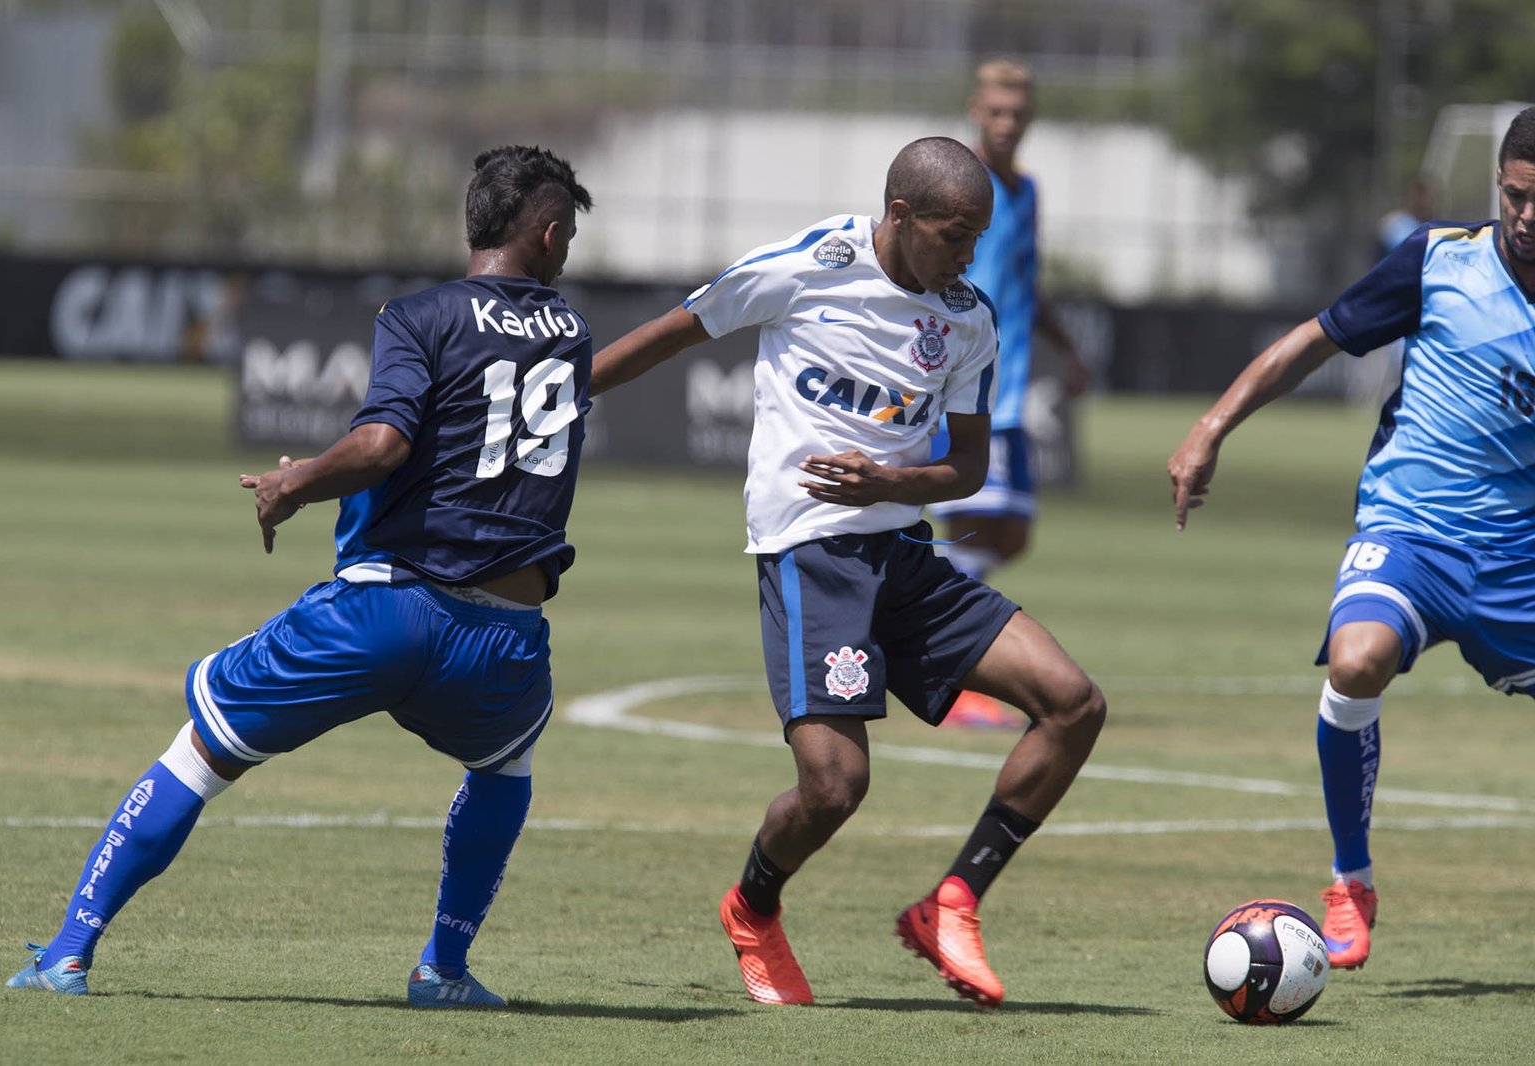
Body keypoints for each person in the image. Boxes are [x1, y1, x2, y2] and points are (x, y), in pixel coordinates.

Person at [4, 145, 594, 1007]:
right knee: (506, 769)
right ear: (546, 235)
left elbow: (387, 445)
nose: (568, 248)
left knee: (201, 751)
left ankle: (67, 953)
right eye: (570, 232)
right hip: (502, 640)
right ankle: (444, 970)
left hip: (388, 613)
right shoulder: (571, 334)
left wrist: (296, 481)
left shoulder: (421, 315)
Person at [590, 136, 1106, 1008]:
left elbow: (968, 468)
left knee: (1074, 703)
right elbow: (672, 333)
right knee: (835, 787)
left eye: (978, 238)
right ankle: (753, 908)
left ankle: (953, 902)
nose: (967, 254)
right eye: (953, 234)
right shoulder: (809, 265)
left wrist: (891, 482)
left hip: (904, 551)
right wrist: (561, 402)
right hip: (811, 552)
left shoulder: (969, 318)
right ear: (900, 216)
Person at [1167, 106, 1535, 972]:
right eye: (1515, 196)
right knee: (1356, 658)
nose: (1526, 216)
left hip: (1518, 556)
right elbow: (1315, 339)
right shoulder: (1440, 258)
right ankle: (1350, 880)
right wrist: (1213, 427)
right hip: (1409, 530)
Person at [928, 57, 1092, 728]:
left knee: (1012, 533)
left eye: (1017, 114)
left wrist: (1068, 347)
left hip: (1014, 383)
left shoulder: (1025, 190)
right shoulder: (955, 183)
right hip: (965, 383)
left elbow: (1026, 280)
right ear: (975, 110)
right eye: (995, 112)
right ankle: (950, 665)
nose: (1006, 124)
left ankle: (915, 617)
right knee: (969, 522)